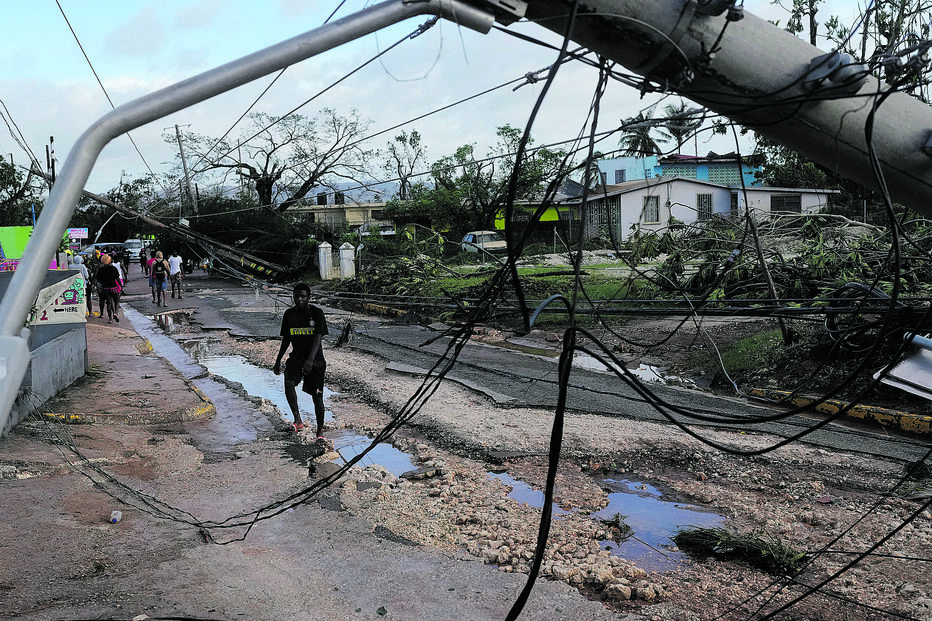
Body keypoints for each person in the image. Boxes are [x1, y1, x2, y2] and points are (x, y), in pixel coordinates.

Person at [273, 283, 328, 437]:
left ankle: (320, 432)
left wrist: (310, 361)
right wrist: (278, 360)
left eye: (303, 296)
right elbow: (286, 339)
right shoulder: (289, 314)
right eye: (297, 296)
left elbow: (318, 338)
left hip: (315, 360)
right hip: (296, 358)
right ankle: (298, 420)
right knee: (289, 383)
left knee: (317, 396)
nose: (299, 299)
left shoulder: (317, 313)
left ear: (308, 297)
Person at [95, 253, 123, 323]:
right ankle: (115, 313)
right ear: (110, 260)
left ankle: (110, 319)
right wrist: (121, 286)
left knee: (109, 302)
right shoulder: (113, 268)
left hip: (105, 288)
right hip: (114, 287)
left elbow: (98, 279)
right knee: (116, 301)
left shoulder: (100, 269)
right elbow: (117, 278)